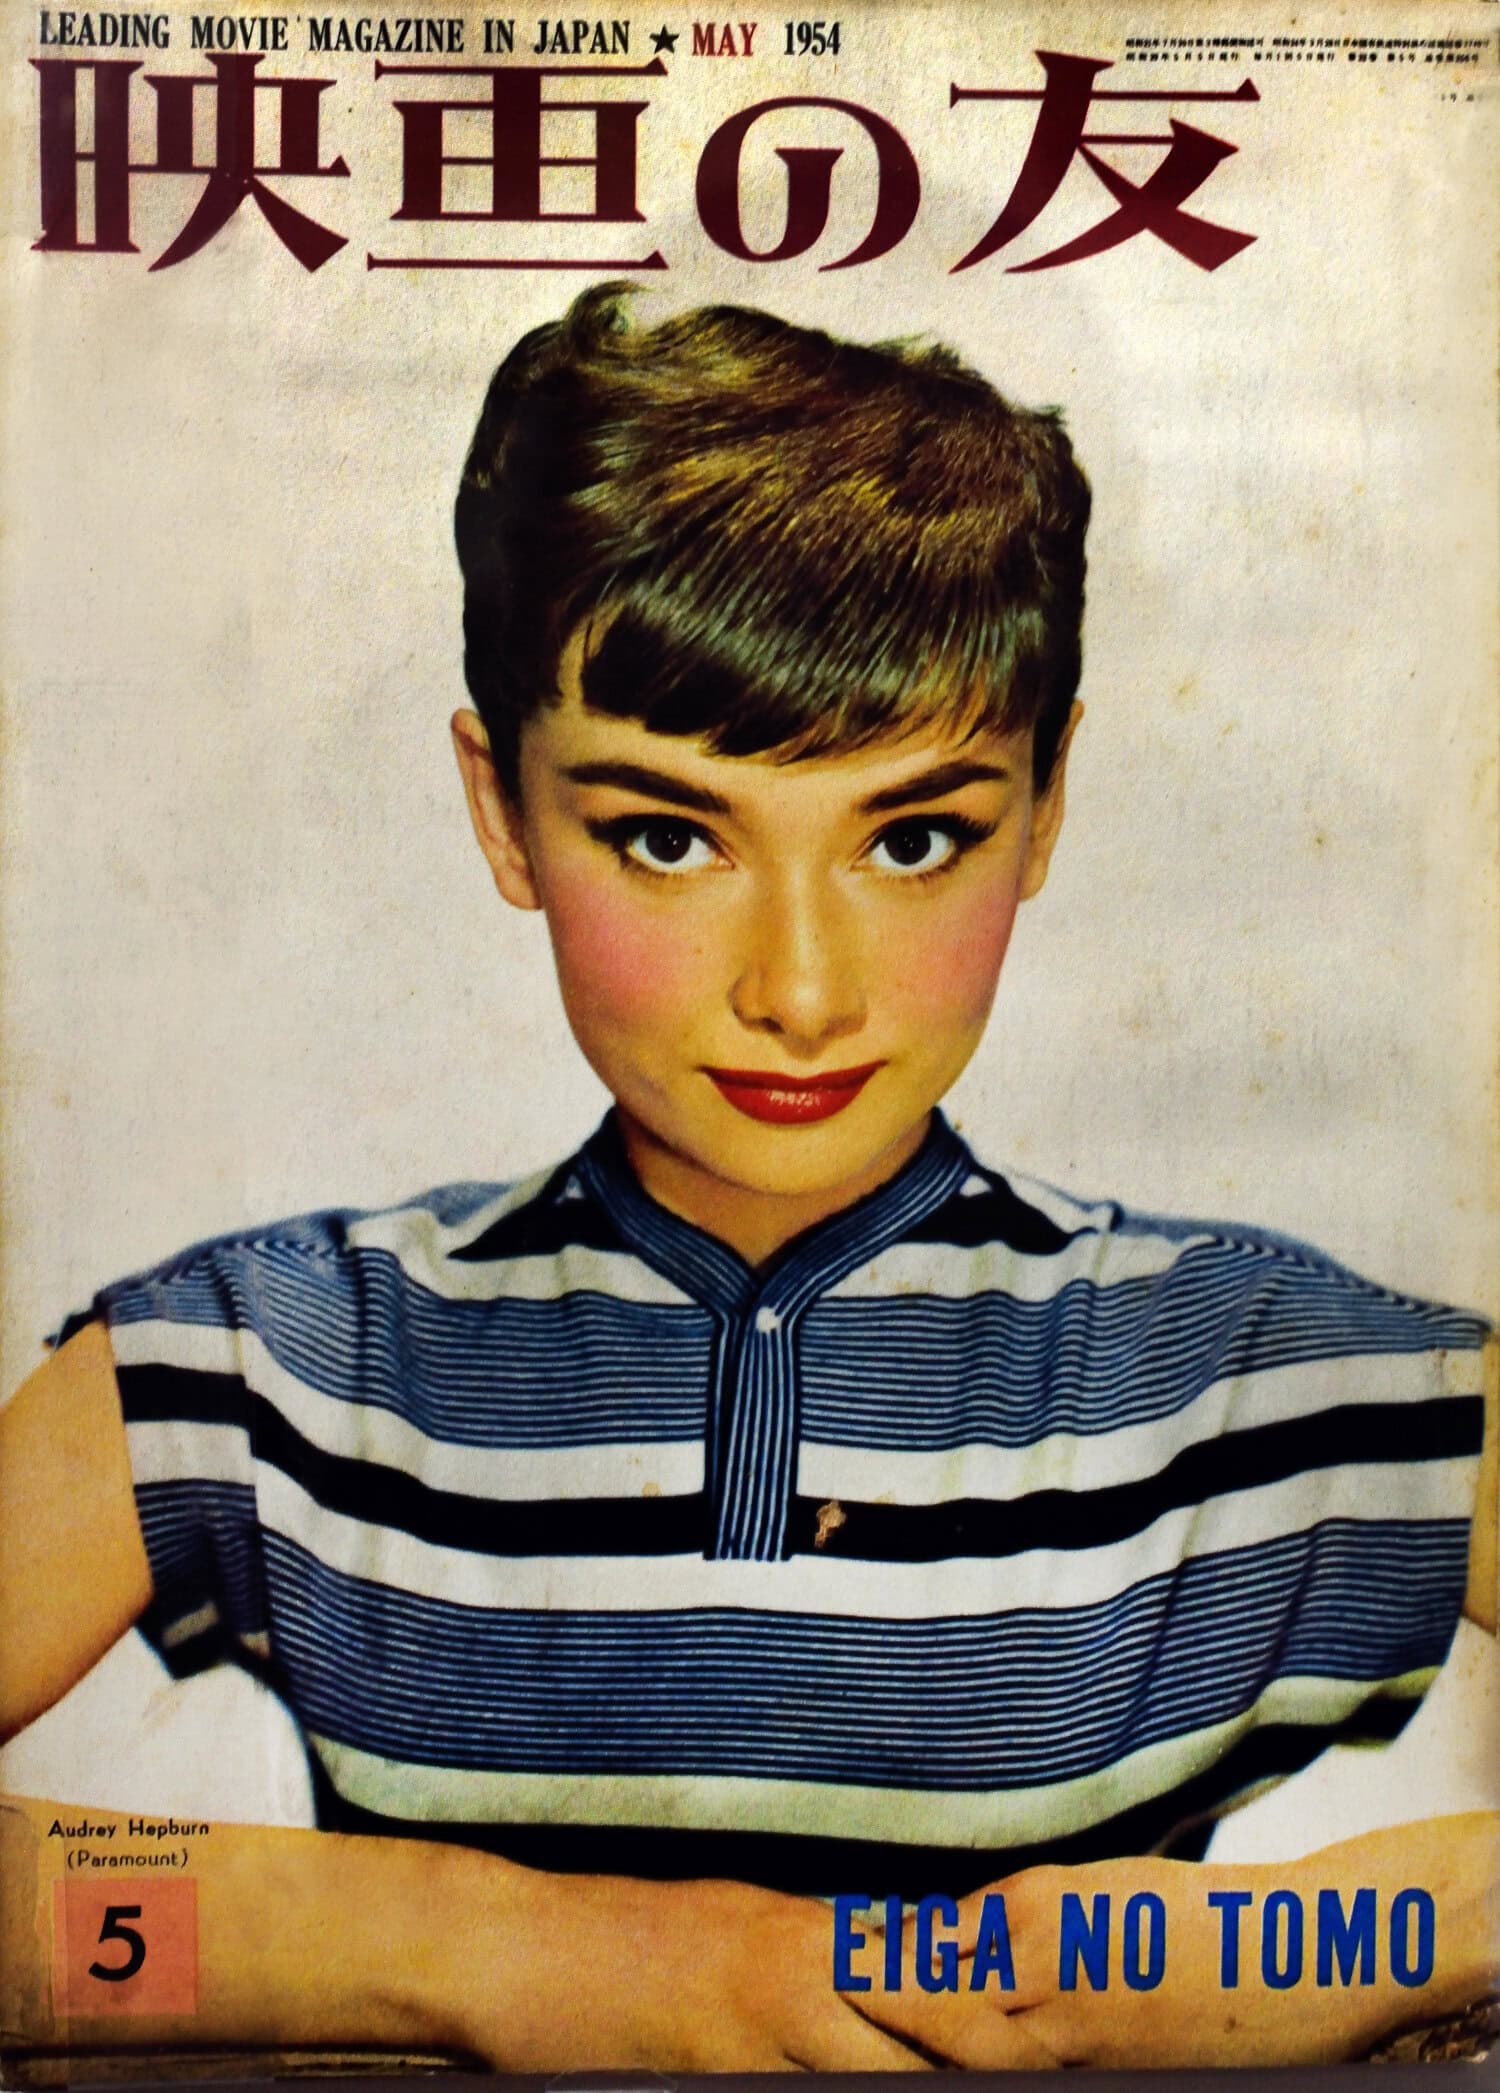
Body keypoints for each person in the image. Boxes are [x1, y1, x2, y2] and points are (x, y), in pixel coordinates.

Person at [1, 285, 1495, 2072]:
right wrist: (488, 1947)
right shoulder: (265, 1360)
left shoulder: (1271, 1366)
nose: (799, 989)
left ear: (1047, 804)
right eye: (667, 834)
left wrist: (1342, 1934)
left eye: (914, 837)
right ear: (501, 808)